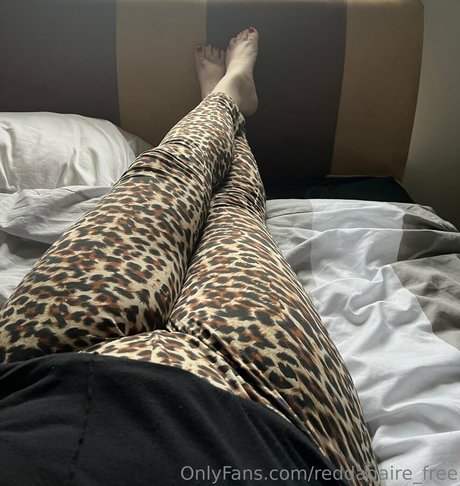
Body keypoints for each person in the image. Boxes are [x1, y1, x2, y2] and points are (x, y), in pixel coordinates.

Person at [0, 28, 379, 485]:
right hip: (268, 418)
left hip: (37, 371)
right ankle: (230, 96)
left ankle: (225, 96)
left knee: (169, 173)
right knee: (234, 211)